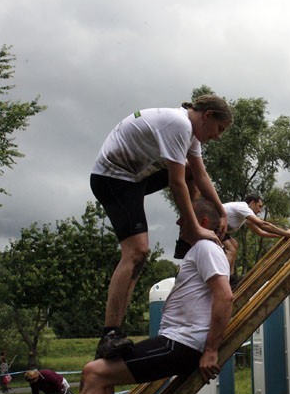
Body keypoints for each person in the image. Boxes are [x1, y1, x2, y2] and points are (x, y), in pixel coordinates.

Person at [3, 199, 233, 394]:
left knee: (96, 374)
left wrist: (211, 351)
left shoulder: (207, 249)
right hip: (176, 341)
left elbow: (225, 296)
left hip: (184, 345)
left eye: (183, 217)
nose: (179, 223)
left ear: (201, 219)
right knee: (96, 371)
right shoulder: (201, 249)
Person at [89, 95, 233, 360]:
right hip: (114, 179)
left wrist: (221, 210)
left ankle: (189, 233)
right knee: (137, 252)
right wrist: (197, 229)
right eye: (219, 129)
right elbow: (176, 182)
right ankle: (110, 334)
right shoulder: (179, 124)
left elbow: (199, 175)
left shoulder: (190, 131)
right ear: (207, 115)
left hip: (135, 175)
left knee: (190, 170)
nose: (218, 136)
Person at [222, 194, 290, 278]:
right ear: (252, 203)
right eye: (259, 206)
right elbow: (263, 225)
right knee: (231, 250)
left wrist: (281, 235)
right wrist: (286, 233)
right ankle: (223, 278)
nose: (260, 210)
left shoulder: (244, 216)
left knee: (234, 244)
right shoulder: (243, 208)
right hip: (212, 223)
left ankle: (231, 277)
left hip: (217, 227)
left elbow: (261, 232)